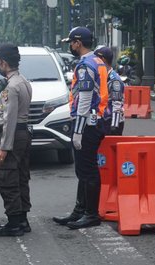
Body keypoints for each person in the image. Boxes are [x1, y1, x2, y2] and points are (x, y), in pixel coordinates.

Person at [52, 27, 108, 229]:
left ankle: (91, 214)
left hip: (87, 124)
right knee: (83, 170)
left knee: (88, 170)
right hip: (95, 121)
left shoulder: (85, 65)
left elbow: (84, 98)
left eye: (71, 42)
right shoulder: (98, 61)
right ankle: (80, 211)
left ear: (78, 42)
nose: (70, 46)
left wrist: (78, 130)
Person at [0, 44, 33, 237]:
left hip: (14, 135)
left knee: (7, 179)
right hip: (24, 134)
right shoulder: (23, 80)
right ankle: (22, 219)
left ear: (4, 63)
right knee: (21, 177)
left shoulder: (11, 86)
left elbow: (9, 119)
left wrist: (4, 147)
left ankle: (14, 223)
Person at [94, 46, 125, 135]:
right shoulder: (100, 75)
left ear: (102, 60)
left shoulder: (114, 80)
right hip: (102, 119)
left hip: (111, 121)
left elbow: (117, 104)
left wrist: (114, 126)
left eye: (96, 59)